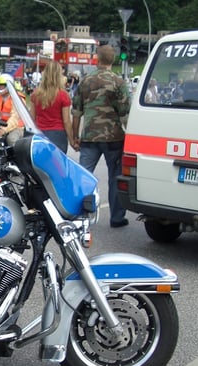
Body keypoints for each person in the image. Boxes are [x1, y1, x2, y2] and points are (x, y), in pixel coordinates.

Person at [71, 44, 131, 228]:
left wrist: (74, 136)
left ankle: (78, 215)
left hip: (89, 137)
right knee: (115, 177)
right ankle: (117, 218)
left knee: (83, 177)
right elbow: (125, 115)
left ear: (97, 58)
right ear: (112, 60)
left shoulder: (86, 81)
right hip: (114, 138)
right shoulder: (118, 82)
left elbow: (76, 112)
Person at [29, 60, 74, 153]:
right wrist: (72, 140)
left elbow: (32, 118)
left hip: (39, 133)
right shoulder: (63, 95)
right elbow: (66, 121)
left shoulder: (35, 94)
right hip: (58, 134)